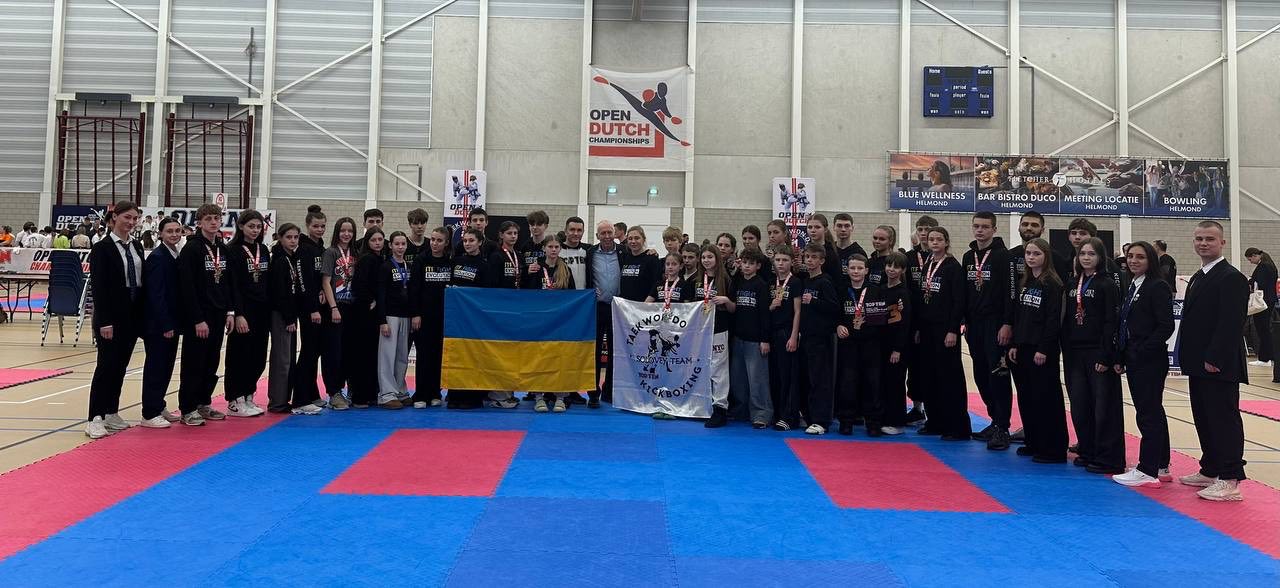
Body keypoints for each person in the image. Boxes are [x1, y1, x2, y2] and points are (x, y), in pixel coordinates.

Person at [1177, 221, 1249, 501]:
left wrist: (1215, 357)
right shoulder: (1199, 275)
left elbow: (1231, 323)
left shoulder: (1231, 277)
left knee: (1223, 419)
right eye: (1199, 239)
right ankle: (1210, 468)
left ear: (1222, 243)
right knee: (1204, 417)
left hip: (1218, 363)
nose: (1203, 243)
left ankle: (1230, 478)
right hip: (1198, 361)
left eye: (1209, 239)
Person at [1112, 241, 1176, 488]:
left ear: (1151, 260)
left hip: (1149, 359)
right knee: (1152, 411)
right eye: (1130, 256)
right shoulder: (1133, 284)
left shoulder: (1156, 286)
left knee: (1148, 414)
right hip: (1134, 356)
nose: (1133, 261)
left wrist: (1142, 350)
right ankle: (1160, 464)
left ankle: (1147, 469)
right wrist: (1122, 355)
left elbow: (1165, 326)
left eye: (1140, 257)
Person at [1062, 237, 1124, 474]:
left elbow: (1111, 321)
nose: (1086, 258)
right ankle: (1087, 449)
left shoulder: (1106, 284)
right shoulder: (1072, 282)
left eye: (1091, 254)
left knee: (1103, 406)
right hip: (1074, 352)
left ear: (1101, 257)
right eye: (1082, 254)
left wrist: (1105, 355)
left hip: (1097, 352)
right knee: (1080, 404)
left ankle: (1108, 457)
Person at [84, 202, 146, 438]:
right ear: (114, 218)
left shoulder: (136, 246)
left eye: (135, 218)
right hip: (110, 316)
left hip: (132, 314)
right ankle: (94, 417)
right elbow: (99, 287)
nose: (131, 222)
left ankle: (111, 411)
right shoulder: (102, 248)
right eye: (127, 217)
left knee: (120, 366)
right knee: (106, 367)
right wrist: (104, 321)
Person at [176, 204, 238, 426]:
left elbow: (229, 283)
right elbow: (187, 287)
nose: (213, 222)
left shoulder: (222, 248)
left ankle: (203, 402)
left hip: (219, 314)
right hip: (199, 317)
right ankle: (188, 408)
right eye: (209, 218)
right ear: (199, 222)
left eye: (217, 218)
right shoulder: (192, 249)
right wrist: (197, 319)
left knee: (211, 362)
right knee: (194, 362)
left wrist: (230, 311)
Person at [1008, 238, 1068, 464]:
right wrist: (1015, 344)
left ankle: (1053, 448)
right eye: (1028, 254)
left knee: (1046, 398)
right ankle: (1033, 441)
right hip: (1023, 346)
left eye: (1036, 254)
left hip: (1042, 349)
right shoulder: (1026, 281)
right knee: (1028, 397)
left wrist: (1044, 348)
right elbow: (1020, 316)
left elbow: (1052, 320)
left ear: (1046, 256)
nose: (1031, 257)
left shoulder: (1052, 284)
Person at [963, 212, 1014, 450]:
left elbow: (1010, 292)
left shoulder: (1004, 256)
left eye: (985, 227)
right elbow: (965, 291)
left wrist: (1007, 323)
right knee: (981, 374)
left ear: (994, 229)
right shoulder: (968, 256)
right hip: (974, 324)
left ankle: (1003, 427)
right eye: (976, 226)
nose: (980, 230)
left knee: (998, 374)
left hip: (996, 323)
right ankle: (994, 420)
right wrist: (965, 322)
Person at [914, 227, 969, 440]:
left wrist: (953, 329)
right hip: (927, 329)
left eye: (939, 239)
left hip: (945, 329)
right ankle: (935, 421)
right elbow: (921, 299)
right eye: (931, 239)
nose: (934, 242)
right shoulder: (928, 264)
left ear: (946, 242)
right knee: (930, 375)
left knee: (949, 378)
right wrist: (918, 328)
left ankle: (957, 427)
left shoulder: (953, 267)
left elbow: (959, 301)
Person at [267, 223, 322, 415]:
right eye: (288, 237)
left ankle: (284, 399)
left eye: (296, 237)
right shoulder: (279, 260)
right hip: (282, 314)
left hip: (290, 313)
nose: (292, 241)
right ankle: (278, 402)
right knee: (282, 359)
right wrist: (289, 318)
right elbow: (280, 293)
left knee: (288, 358)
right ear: (280, 238)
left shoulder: (291, 257)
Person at [138, 217, 184, 429]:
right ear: (161, 234)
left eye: (177, 231)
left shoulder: (174, 254)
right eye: (170, 231)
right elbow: (156, 295)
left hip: (172, 321)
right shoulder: (157, 257)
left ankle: (159, 404)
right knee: (156, 367)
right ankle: (149, 412)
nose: (174, 234)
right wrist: (165, 324)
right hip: (159, 325)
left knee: (166, 366)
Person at [224, 210, 271, 416]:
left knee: (258, 356)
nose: (255, 230)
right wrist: (238, 313)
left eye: (258, 227)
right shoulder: (232, 250)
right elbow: (233, 285)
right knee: (239, 355)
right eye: (251, 226)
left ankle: (249, 394)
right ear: (241, 226)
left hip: (262, 310)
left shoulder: (264, 249)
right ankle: (235, 399)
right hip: (244, 310)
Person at [835, 254, 884, 437]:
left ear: (866, 270)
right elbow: (835, 314)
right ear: (847, 270)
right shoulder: (841, 289)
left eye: (859, 268)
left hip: (870, 344)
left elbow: (880, 321)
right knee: (847, 383)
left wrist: (866, 325)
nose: (856, 271)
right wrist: (838, 325)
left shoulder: (875, 291)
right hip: (848, 345)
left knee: (872, 383)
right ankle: (846, 421)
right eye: (852, 268)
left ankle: (873, 422)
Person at [448, 228, 492, 409]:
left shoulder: (484, 266)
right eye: (465, 240)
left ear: (480, 242)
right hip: (456, 317)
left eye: (471, 240)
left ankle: (473, 397)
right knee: (457, 355)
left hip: (474, 318)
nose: (467, 244)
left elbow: (485, 294)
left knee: (473, 356)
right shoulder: (456, 261)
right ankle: (454, 395)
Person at [530, 234, 575, 413]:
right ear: (544, 249)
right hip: (539, 321)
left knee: (560, 359)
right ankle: (538, 397)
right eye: (550, 247)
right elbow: (527, 294)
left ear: (560, 249)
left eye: (557, 247)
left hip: (559, 322)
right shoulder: (536, 268)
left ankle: (560, 397)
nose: (554, 250)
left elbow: (573, 296)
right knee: (539, 359)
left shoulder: (566, 269)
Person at [798, 243, 839, 435]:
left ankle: (821, 420)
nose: (810, 260)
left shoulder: (825, 282)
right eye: (807, 257)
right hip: (806, 337)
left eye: (814, 257)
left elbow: (834, 308)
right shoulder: (806, 281)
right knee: (807, 379)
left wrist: (814, 301)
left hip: (821, 339)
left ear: (822, 260)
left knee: (820, 380)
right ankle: (808, 416)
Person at [729, 247, 772, 429]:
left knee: (757, 380)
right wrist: (735, 271)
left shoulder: (761, 285)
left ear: (758, 266)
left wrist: (765, 339)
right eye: (744, 263)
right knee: (738, 379)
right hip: (739, 337)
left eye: (751, 263)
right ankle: (741, 410)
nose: (747, 266)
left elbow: (765, 314)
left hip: (756, 340)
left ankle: (761, 413)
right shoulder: (738, 281)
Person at [409, 227, 452, 408]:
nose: (434, 243)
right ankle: (420, 394)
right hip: (423, 316)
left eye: (439, 240)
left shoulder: (449, 261)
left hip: (442, 317)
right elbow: (414, 288)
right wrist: (415, 314)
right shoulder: (421, 260)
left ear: (446, 243)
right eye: (433, 239)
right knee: (424, 355)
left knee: (438, 355)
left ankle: (435, 392)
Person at [295, 206, 333, 409]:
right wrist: (312, 308)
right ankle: (300, 399)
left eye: (323, 226)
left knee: (316, 352)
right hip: (309, 309)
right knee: (308, 352)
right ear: (307, 226)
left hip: (322, 306)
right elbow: (304, 281)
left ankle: (312, 393)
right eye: (316, 226)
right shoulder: (303, 248)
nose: (319, 230)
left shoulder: (321, 248)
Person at [695, 243, 736, 428]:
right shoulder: (696, 280)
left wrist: (726, 300)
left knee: (719, 370)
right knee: (702, 367)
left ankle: (720, 408)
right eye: (704, 257)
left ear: (717, 259)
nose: (706, 260)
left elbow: (734, 308)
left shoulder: (726, 280)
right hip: (699, 331)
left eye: (710, 257)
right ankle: (702, 404)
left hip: (719, 329)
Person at [903, 215, 938, 425]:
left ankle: (934, 410)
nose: (924, 233)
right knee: (913, 365)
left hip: (932, 320)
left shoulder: (941, 258)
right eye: (920, 229)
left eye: (928, 229)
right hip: (911, 318)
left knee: (931, 366)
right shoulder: (908, 257)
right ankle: (917, 408)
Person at [319, 217, 357, 410]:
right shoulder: (331, 252)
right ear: (337, 232)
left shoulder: (355, 253)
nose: (346, 234)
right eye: (343, 230)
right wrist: (333, 307)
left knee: (348, 351)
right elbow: (326, 281)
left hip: (352, 308)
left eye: (350, 231)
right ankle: (334, 391)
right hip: (335, 308)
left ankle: (347, 388)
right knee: (333, 352)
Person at [348, 227, 387, 408]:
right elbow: (358, 284)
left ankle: (370, 393)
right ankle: (359, 396)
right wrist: (370, 299)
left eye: (380, 239)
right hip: (364, 313)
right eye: (373, 240)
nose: (377, 243)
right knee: (363, 354)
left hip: (374, 313)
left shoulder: (381, 258)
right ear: (367, 242)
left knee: (372, 354)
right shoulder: (367, 259)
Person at [585, 220, 622, 409]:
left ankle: (610, 391)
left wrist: (652, 252)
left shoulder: (624, 252)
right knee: (596, 350)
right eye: (603, 233)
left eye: (609, 232)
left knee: (616, 350)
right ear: (597, 235)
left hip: (618, 308)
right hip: (597, 307)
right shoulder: (590, 253)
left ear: (615, 233)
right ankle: (593, 393)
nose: (607, 236)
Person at [767, 245, 804, 431]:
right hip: (772, 332)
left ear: (791, 262)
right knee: (775, 376)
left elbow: (798, 311)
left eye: (785, 260)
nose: (781, 264)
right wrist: (771, 306)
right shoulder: (770, 282)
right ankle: (777, 413)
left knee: (788, 375)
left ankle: (789, 416)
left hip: (787, 332)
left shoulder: (795, 282)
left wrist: (794, 336)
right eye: (778, 260)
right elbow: (765, 310)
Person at [376, 232, 414, 409]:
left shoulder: (409, 266)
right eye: (397, 244)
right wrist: (382, 320)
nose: (400, 247)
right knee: (387, 356)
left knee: (402, 356)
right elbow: (381, 295)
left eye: (403, 244)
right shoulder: (385, 267)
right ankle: (386, 394)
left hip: (405, 316)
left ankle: (400, 390)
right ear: (390, 245)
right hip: (390, 316)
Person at [877, 251, 911, 435]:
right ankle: (883, 418)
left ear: (903, 270)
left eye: (896, 267)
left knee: (895, 383)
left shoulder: (903, 293)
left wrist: (898, 349)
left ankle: (897, 422)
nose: (891, 269)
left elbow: (905, 323)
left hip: (896, 346)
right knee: (883, 382)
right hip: (881, 343)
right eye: (889, 265)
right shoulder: (881, 289)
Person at [1245, 247, 1276, 367]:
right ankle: (1267, 357)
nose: (1250, 262)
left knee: (1262, 330)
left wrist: (1250, 280)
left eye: (1250, 259)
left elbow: (1260, 283)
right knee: (1264, 330)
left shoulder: (1264, 266)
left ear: (1255, 256)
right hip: (1268, 300)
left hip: (1263, 301)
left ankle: (1264, 358)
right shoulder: (1268, 265)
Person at [620, 227, 662, 302]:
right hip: (625, 305)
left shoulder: (652, 259)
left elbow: (657, 284)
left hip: (644, 305)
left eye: (637, 238)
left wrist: (648, 302)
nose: (633, 241)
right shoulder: (624, 257)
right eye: (630, 238)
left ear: (644, 239)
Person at [805, 214, 840, 281]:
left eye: (817, 227)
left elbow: (836, 278)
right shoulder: (805, 250)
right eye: (810, 227)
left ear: (825, 229)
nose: (813, 230)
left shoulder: (831, 252)